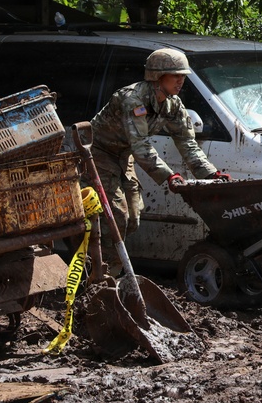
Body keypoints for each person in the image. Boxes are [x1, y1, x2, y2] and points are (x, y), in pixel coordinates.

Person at [89, 47, 229, 275]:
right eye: (176, 76)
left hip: (123, 157)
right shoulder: (132, 100)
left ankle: (102, 265)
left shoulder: (172, 104)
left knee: (133, 216)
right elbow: (140, 145)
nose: (181, 81)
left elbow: (187, 142)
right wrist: (169, 176)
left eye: (183, 76)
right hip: (97, 155)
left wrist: (210, 174)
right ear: (157, 76)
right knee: (115, 217)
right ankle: (103, 278)